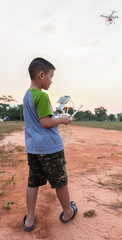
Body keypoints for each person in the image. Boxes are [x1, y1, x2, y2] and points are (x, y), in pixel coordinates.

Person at [23, 57, 77, 232]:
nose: (51, 81)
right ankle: (68, 211)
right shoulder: (42, 95)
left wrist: (55, 116)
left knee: (33, 183)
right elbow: (46, 122)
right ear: (41, 75)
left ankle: (30, 217)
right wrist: (63, 119)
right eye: (51, 76)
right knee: (60, 182)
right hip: (50, 149)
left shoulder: (27, 95)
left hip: (33, 149)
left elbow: (39, 121)